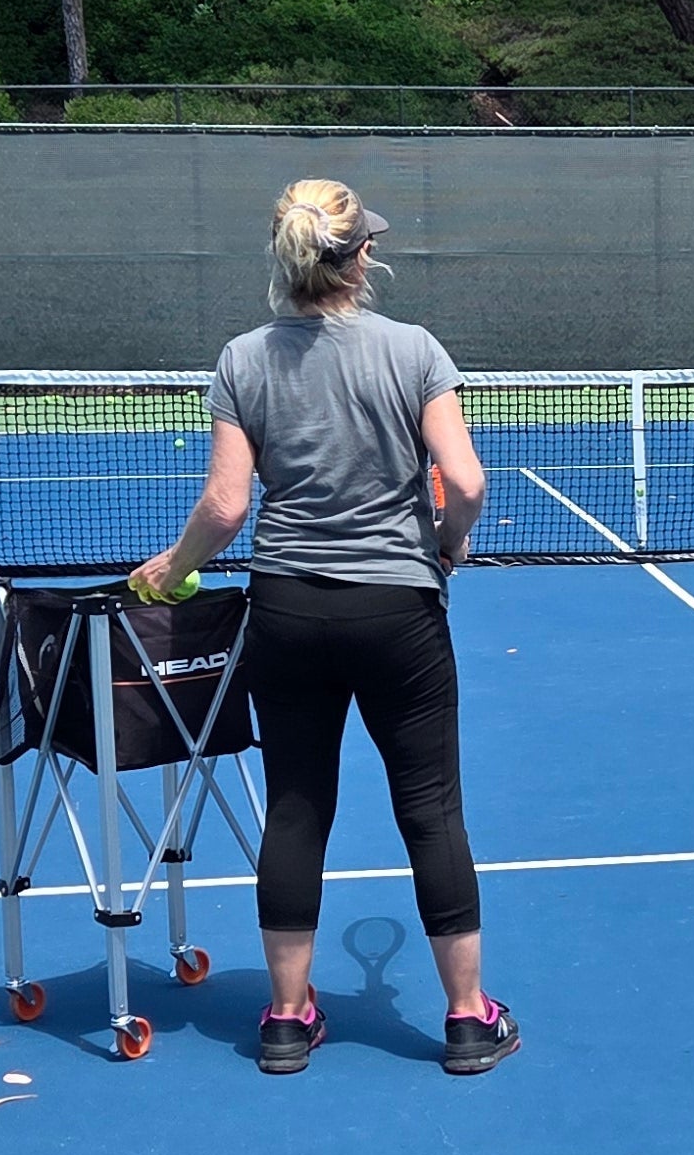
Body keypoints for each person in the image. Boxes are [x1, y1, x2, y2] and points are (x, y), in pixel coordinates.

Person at [129, 178, 517, 1081]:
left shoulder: (242, 359)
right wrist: (445, 549)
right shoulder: (414, 352)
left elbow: (227, 506)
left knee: (298, 808)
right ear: (358, 258)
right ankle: (468, 1019)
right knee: (432, 813)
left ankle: (288, 1019)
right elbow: (465, 482)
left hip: (289, 612)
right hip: (398, 615)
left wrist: (171, 570)